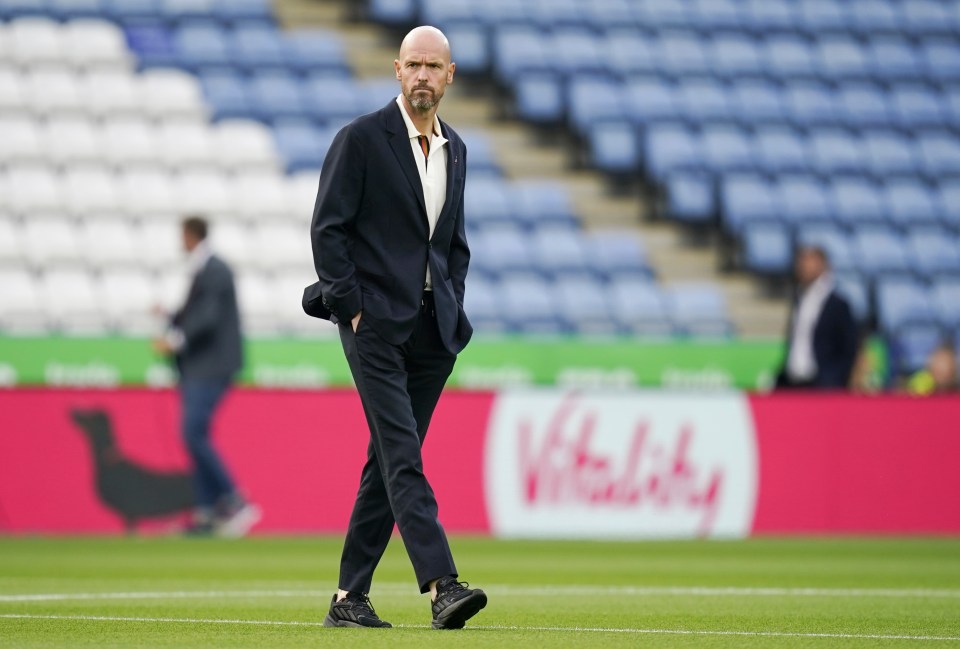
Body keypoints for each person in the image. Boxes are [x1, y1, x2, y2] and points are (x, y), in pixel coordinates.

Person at [305, 26, 486, 630]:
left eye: (433, 67)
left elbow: (452, 241)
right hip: (374, 325)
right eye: (413, 65)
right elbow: (327, 229)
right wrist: (351, 305)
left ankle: (347, 598)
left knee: (387, 459)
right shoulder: (360, 139)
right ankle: (442, 584)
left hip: (435, 332)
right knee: (403, 454)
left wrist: (452, 299)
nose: (422, 77)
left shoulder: (456, 147)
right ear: (396, 69)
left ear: (450, 75)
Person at [152, 216, 260, 537]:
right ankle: (206, 513)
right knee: (193, 434)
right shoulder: (207, 268)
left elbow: (208, 318)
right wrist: (170, 317)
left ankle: (234, 500)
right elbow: (197, 313)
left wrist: (175, 339)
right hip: (201, 365)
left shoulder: (215, 269)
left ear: (190, 234)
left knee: (193, 433)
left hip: (210, 365)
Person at [775, 245, 859, 389]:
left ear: (823, 264)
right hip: (794, 381)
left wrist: (834, 379)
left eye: (809, 261)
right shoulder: (799, 298)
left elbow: (849, 347)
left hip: (822, 384)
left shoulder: (837, 304)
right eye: (801, 261)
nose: (803, 266)